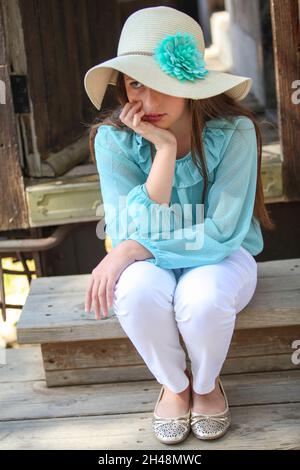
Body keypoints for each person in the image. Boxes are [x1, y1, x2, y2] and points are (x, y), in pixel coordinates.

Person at [83, 6, 275, 445]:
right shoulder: (113, 140)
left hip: (225, 256)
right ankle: (175, 384)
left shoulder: (234, 132)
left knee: (202, 296)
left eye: (161, 84)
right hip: (154, 257)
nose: (147, 103)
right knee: (134, 291)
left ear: (189, 82)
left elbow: (222, 231)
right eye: (135, 83)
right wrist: (164, 151)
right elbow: (131, 224)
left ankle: (207, 384)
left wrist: (131, 250)